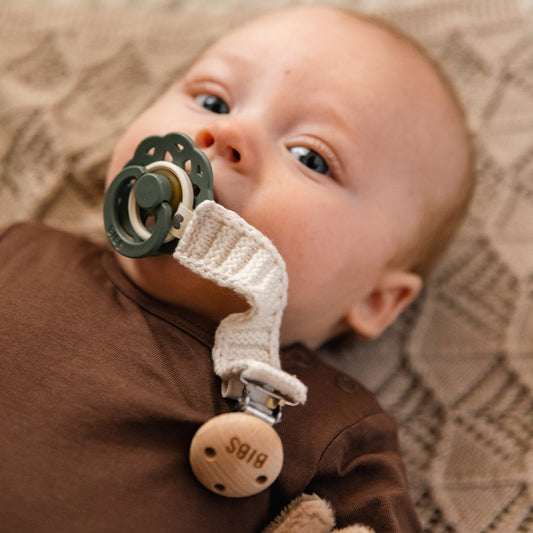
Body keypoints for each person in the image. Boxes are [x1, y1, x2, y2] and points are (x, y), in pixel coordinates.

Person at [0, 5, 472, 532]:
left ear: (374, 299)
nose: (228, 132)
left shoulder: (328, 429)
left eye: (310, 157)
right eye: (212, 100)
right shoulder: (21, 250)